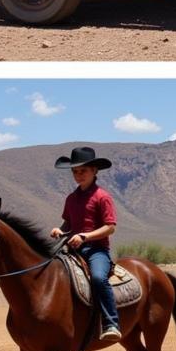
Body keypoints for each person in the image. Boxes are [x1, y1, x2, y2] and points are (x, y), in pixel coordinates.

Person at [51, 146, 121, 341]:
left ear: (94, 171)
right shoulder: (71, 199)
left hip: (97, 250)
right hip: (72, 250)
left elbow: (110, 227)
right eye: (75, 171)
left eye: (83, 170)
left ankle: (111, 323)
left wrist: (84, 237)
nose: (78, 175)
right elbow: (68, 224)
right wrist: (60, 230)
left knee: (98, 278)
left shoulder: (102, 197)